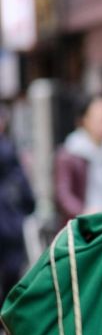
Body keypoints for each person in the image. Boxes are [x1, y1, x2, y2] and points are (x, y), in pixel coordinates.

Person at [55, 94, 102, 220]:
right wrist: (83, 212)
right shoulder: (69, 153)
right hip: (82, 222)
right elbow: (63, 195)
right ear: (85, 120)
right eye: (99, 117)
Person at [0, 103, 34, 307]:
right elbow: (25, 188)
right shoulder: (9, 149)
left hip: (9, 220)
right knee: (12, 272)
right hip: (10, 220)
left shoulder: (9, 149)